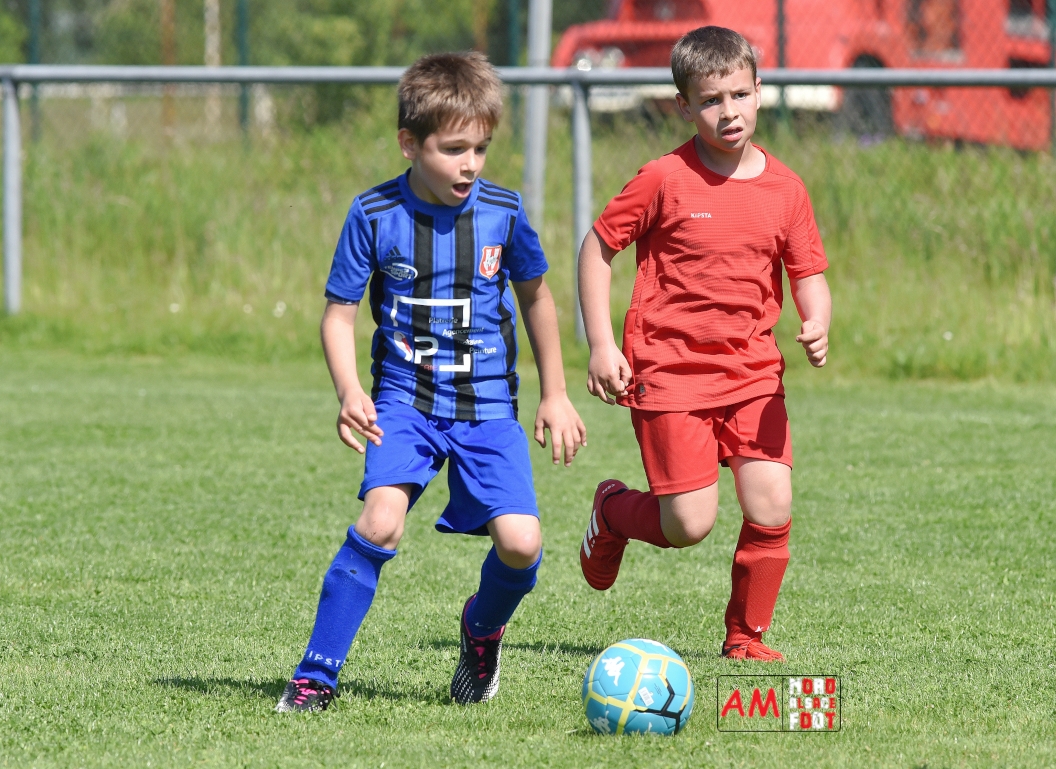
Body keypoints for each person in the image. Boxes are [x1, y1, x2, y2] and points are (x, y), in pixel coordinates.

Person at [277, 52, 586, 712]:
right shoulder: (373, 213)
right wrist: (349, 391)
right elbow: (338, 314)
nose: (470, 164)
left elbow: (537, 297)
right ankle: (315, 676)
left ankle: (481, 630)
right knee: (381, 521)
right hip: (403, 401)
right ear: (409, 144)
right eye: (453, 149)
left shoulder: (503, 211)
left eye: (481, 148)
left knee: (522, 543)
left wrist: (556, 393)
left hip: (488, 405)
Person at [577, 26, 832, 662]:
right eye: (712, 100)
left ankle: (745, 638)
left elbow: (808, 272)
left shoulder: (786, 188)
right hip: (670, 373)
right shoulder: (663, 178)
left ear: (759, 92)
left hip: (753, 372)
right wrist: (602, 344)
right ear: (684, 106)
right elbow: (596, 249)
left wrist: (816, 320)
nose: (729, 111)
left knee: (771, 503)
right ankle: (613, 511)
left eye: (740, 95)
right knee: (689, 524)